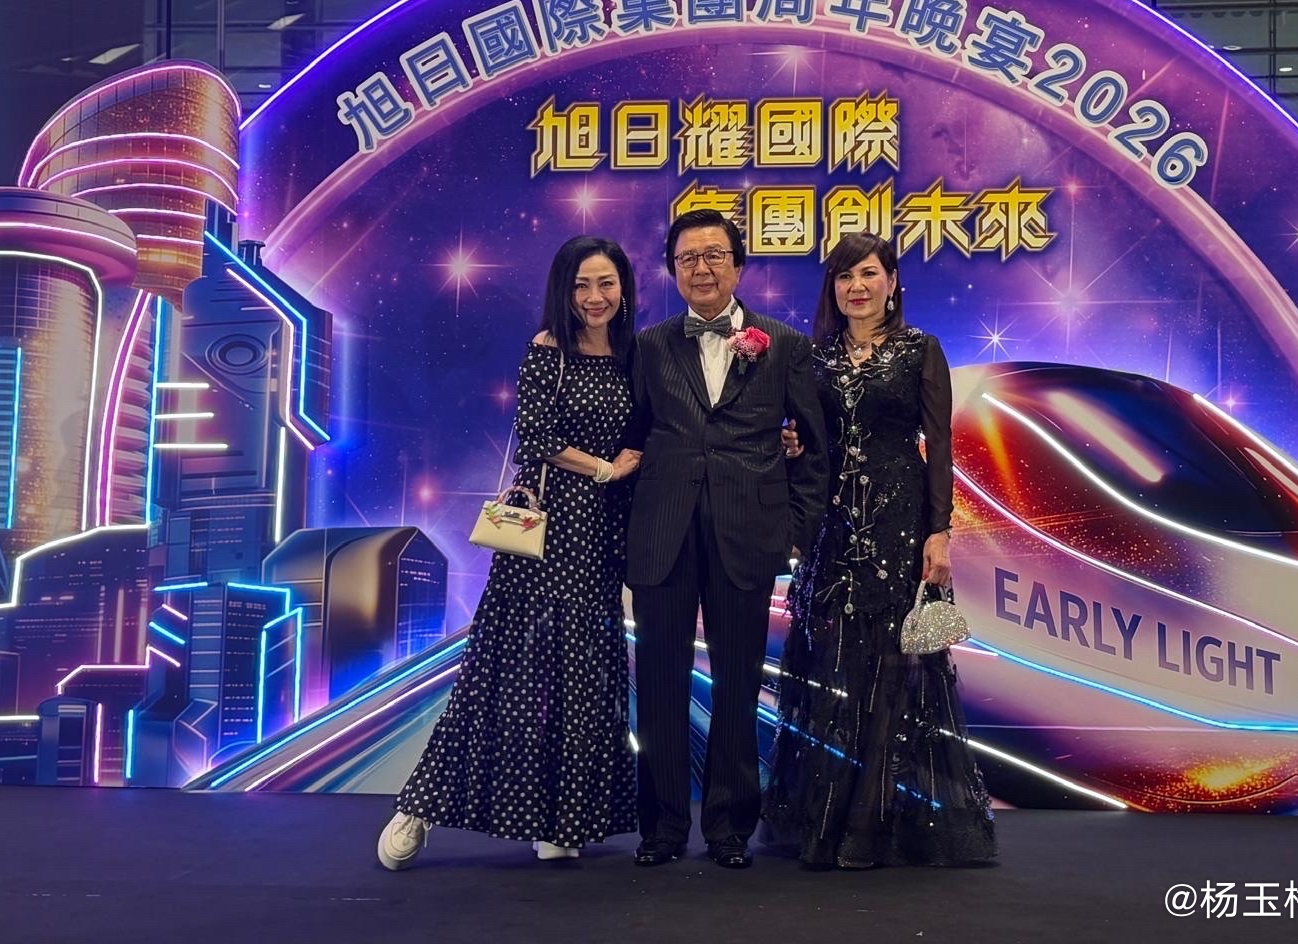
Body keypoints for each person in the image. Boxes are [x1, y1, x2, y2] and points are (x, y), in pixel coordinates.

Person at [378, 235, 642, 869]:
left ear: (624, 288)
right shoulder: (548, 349)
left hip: (605, 539)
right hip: (546, 534)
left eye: (605, 283)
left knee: (586, 680)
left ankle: (562, 816)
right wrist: (605, 470)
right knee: (504, 675)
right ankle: (419, 807)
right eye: (581, 285)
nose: (595, 297)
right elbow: (535, 437)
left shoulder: (636, 357)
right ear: (564, 292)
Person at [764, 232, 997, 869]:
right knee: (833, 670)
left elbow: (940, 447)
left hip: (900, 525)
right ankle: (825, 817)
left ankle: (868, 826)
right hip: (832, 527)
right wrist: (792, 448)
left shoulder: (921, 350)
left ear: (892, 282)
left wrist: (939, 532)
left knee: (894, 675)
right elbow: (806, 441)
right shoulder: (813, 357)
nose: (857, 287)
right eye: (844, 277)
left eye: (868, 274)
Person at [626, 209, 828, 870]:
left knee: (738, 685)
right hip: (663, 534)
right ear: (673, 271)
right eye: (688, 258)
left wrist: (794, 532)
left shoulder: (784, 345)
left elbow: (813, 450)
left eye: (715, 255)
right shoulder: (649, 346)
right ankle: (661, 827)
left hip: (749, 535)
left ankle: (729, 826)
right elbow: (632, 439)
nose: (702, 268)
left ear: (739, 267)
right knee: (661, 683)